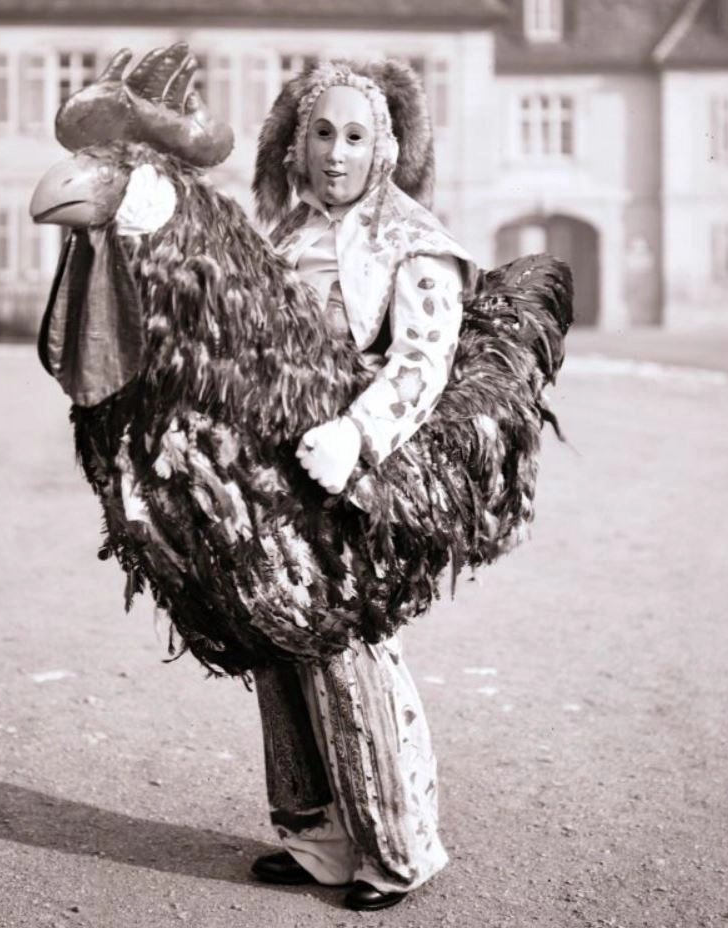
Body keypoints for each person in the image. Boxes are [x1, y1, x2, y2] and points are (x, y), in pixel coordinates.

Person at [246, 60, 477, 913]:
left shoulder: (410, 239)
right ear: (295, 144)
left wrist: (355, 433)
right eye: (321, 134)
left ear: (383, 147)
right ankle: (318, 841)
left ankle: (397, 846)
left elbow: (424, 360)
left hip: (360, 483)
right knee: (278, 648)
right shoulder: (281, 236)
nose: (335, 154)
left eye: (354, 136)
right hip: (275, 482)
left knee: (351, 653)